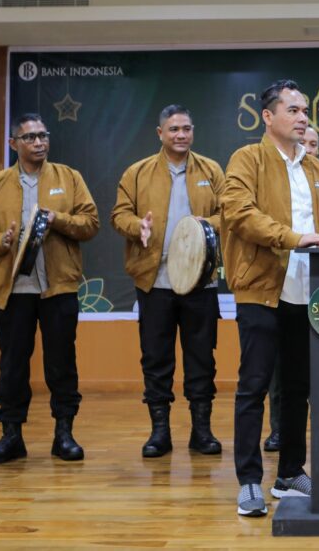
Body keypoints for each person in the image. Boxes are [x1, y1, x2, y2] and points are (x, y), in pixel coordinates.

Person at [221, 79, 319, 517]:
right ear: (268, 117)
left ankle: (290, 472)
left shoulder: (315, 169)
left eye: (304, 110)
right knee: (253, 386)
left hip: (306, 294)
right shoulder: (247, 159)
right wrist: (294, 238)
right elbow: (238, 213)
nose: (303, 117)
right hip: (260, 290)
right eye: (292, 110)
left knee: (297, 388)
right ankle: (249, 481)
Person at [0, 113, 99, 464]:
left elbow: (90, 223)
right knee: (12, 365)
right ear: (14, 144)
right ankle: (11, 436)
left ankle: (64, 434)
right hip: (13, 290)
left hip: (58, 288)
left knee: (62, 363)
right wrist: (1, 240)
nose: (39, 143)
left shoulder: (69, 178)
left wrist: (60, 220)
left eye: (43, 136)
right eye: (30, 137)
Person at [110, 104, 225, 458]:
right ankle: (159, 432)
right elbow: (119, 214)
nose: (181, 135)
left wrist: (205, 227)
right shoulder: (137, 172)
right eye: (174, 129)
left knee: (201, 359)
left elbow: (230, 214)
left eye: (187, 129)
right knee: (156, 359)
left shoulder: (211, 170)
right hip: (154, 281)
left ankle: (201, 431)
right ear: (160, 133)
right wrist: (137, 227)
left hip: (200, 282)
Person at [263, 125, 319, 452]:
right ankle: (278, 430)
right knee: (280, 368)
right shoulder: (274, 179)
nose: (308, 148)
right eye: (303, 142)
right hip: (280, 283)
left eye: (313, 143)